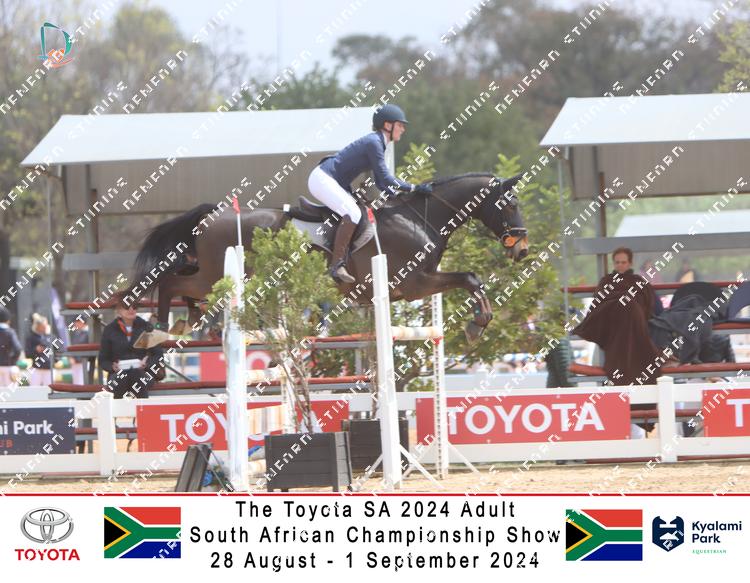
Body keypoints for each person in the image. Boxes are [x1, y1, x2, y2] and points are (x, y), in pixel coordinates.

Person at [307, 104, 433, 283]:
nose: (403, 129)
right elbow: (387, 179)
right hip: (323, 179)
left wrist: (400, 197)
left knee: (357, 211)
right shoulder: (374, 143)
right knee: (353, 213)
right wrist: (413, 188)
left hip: (331, 180)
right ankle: (336, 266)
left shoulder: (378, 143)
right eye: (400, 125)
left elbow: (381, 183)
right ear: (387, 125)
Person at [573, 247, 663, 385]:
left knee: (630, 307)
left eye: (623, 262)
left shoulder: (639, 281)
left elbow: (650, 305)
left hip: (635, 323)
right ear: (613, 263)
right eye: (617, 262)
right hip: (614, 323)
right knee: (626, 306)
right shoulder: (607, 281)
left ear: (630, 263)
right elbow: (599, 303)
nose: (620, 265)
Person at [98, 297, 165, 399]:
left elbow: (158, 355)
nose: (131, 309)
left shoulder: (146, 327)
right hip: (118, 374)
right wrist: (112, 366)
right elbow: (103, 359)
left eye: (134, 306)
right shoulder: (109, 329)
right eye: (127, 307)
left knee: (136, 375)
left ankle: (141, 408)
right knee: (122, 377)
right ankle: (121, 408)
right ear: (118, 310)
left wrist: (146, 364)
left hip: (143, 373)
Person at [25, 313, 53, 386]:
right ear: (37, 326)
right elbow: (27, 354)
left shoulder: (51, 337)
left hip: (49, 368)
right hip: (36, 368)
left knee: (49, 389)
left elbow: (59, 350)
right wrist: (35, 349)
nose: (44, 328)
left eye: (45, 325)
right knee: (33, 388)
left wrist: (55, 360)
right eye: (42, 326)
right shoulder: (31, 338)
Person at [0, 307, 22, 386]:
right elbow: (18, 349)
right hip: (8, 366)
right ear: (7, 320)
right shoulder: (10, 332)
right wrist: (13, 361)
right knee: (12, 392)